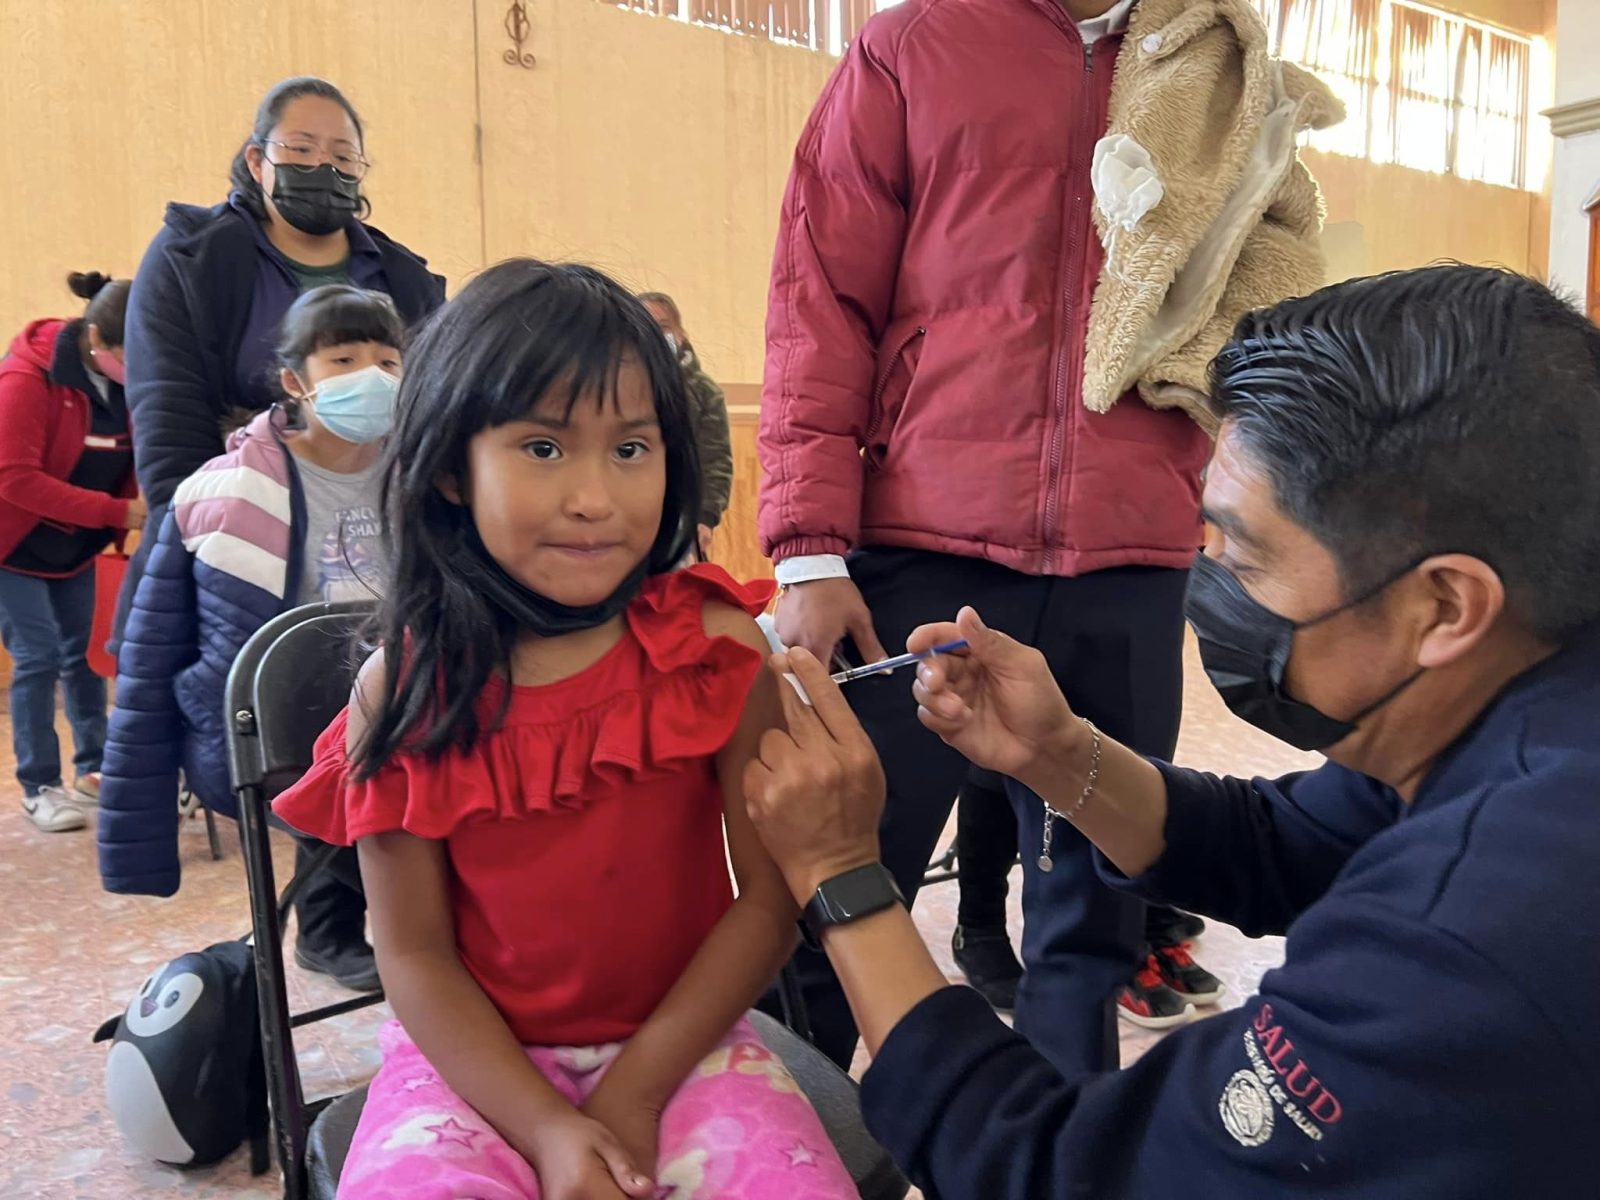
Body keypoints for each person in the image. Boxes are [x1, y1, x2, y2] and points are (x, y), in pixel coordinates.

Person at [742, 265, 1600, 1197]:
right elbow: (1290, 844)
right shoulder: (1519, 696)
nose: (1211, 591)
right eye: (1208, 548)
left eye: (1247, 558)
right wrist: (1057, 752)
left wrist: (842, 878)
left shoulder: (1474, 932)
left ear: (1445, 603)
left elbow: (1065, 1176)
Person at [757, 0, 1339, 1068]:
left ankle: (1068, 1153)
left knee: (1097, 903)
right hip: (915, 544)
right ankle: (806, 1150)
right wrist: (806, 544)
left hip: (1129, 558)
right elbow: (820, 294)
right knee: (836, 878)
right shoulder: (911, 46)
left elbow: (1265, 286)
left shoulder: (1217, 64)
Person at [270, 261, 857, 1198]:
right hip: (470, 1071)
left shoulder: (714, 648)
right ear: (453, 469)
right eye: (543, 448)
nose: (595, 497)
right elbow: (413, 951)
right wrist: (546, 1127)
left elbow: (768, 898)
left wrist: (634, 1090)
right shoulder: (405, 690)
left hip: (686, 1045)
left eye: (632, 449)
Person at [99, 286, 405, 994]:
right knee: (386, 812)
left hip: (393, 710)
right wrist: (135, 827)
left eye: (389, 360)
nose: (373, 376)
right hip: (274, 728)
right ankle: (401, 950)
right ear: (296, 379)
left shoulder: (421, 477)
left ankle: (345, 938)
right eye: (345, 357)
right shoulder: (230, 489)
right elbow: (152, 651)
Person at [114, 75, 444, 650]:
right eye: (300, 149)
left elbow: (435, 417)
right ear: (257, 159)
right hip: (231, 554)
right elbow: (169, 421)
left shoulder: (404, 278)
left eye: (344, 155)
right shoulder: (191, 258)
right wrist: (204, 566)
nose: (324, 166)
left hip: (378, 561)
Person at [0, 273, 145, 833]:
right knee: (36, 658)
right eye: (130, 355)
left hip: (74, 545)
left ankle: (96, 768)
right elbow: (14, 479)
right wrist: (117, 512)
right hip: (12, 546)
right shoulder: (25, 378)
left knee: (85, 655)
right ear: (95, 340)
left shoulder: (130, 382)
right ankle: (39, 786)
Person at [639, 291, 733, 560]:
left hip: (683, 520)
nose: (655, 337)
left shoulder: (704, 392)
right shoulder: (617, 390)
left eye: (663, 327)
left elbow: (716, 461)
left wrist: (705, 517)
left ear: (680, 333)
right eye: (645, 328)